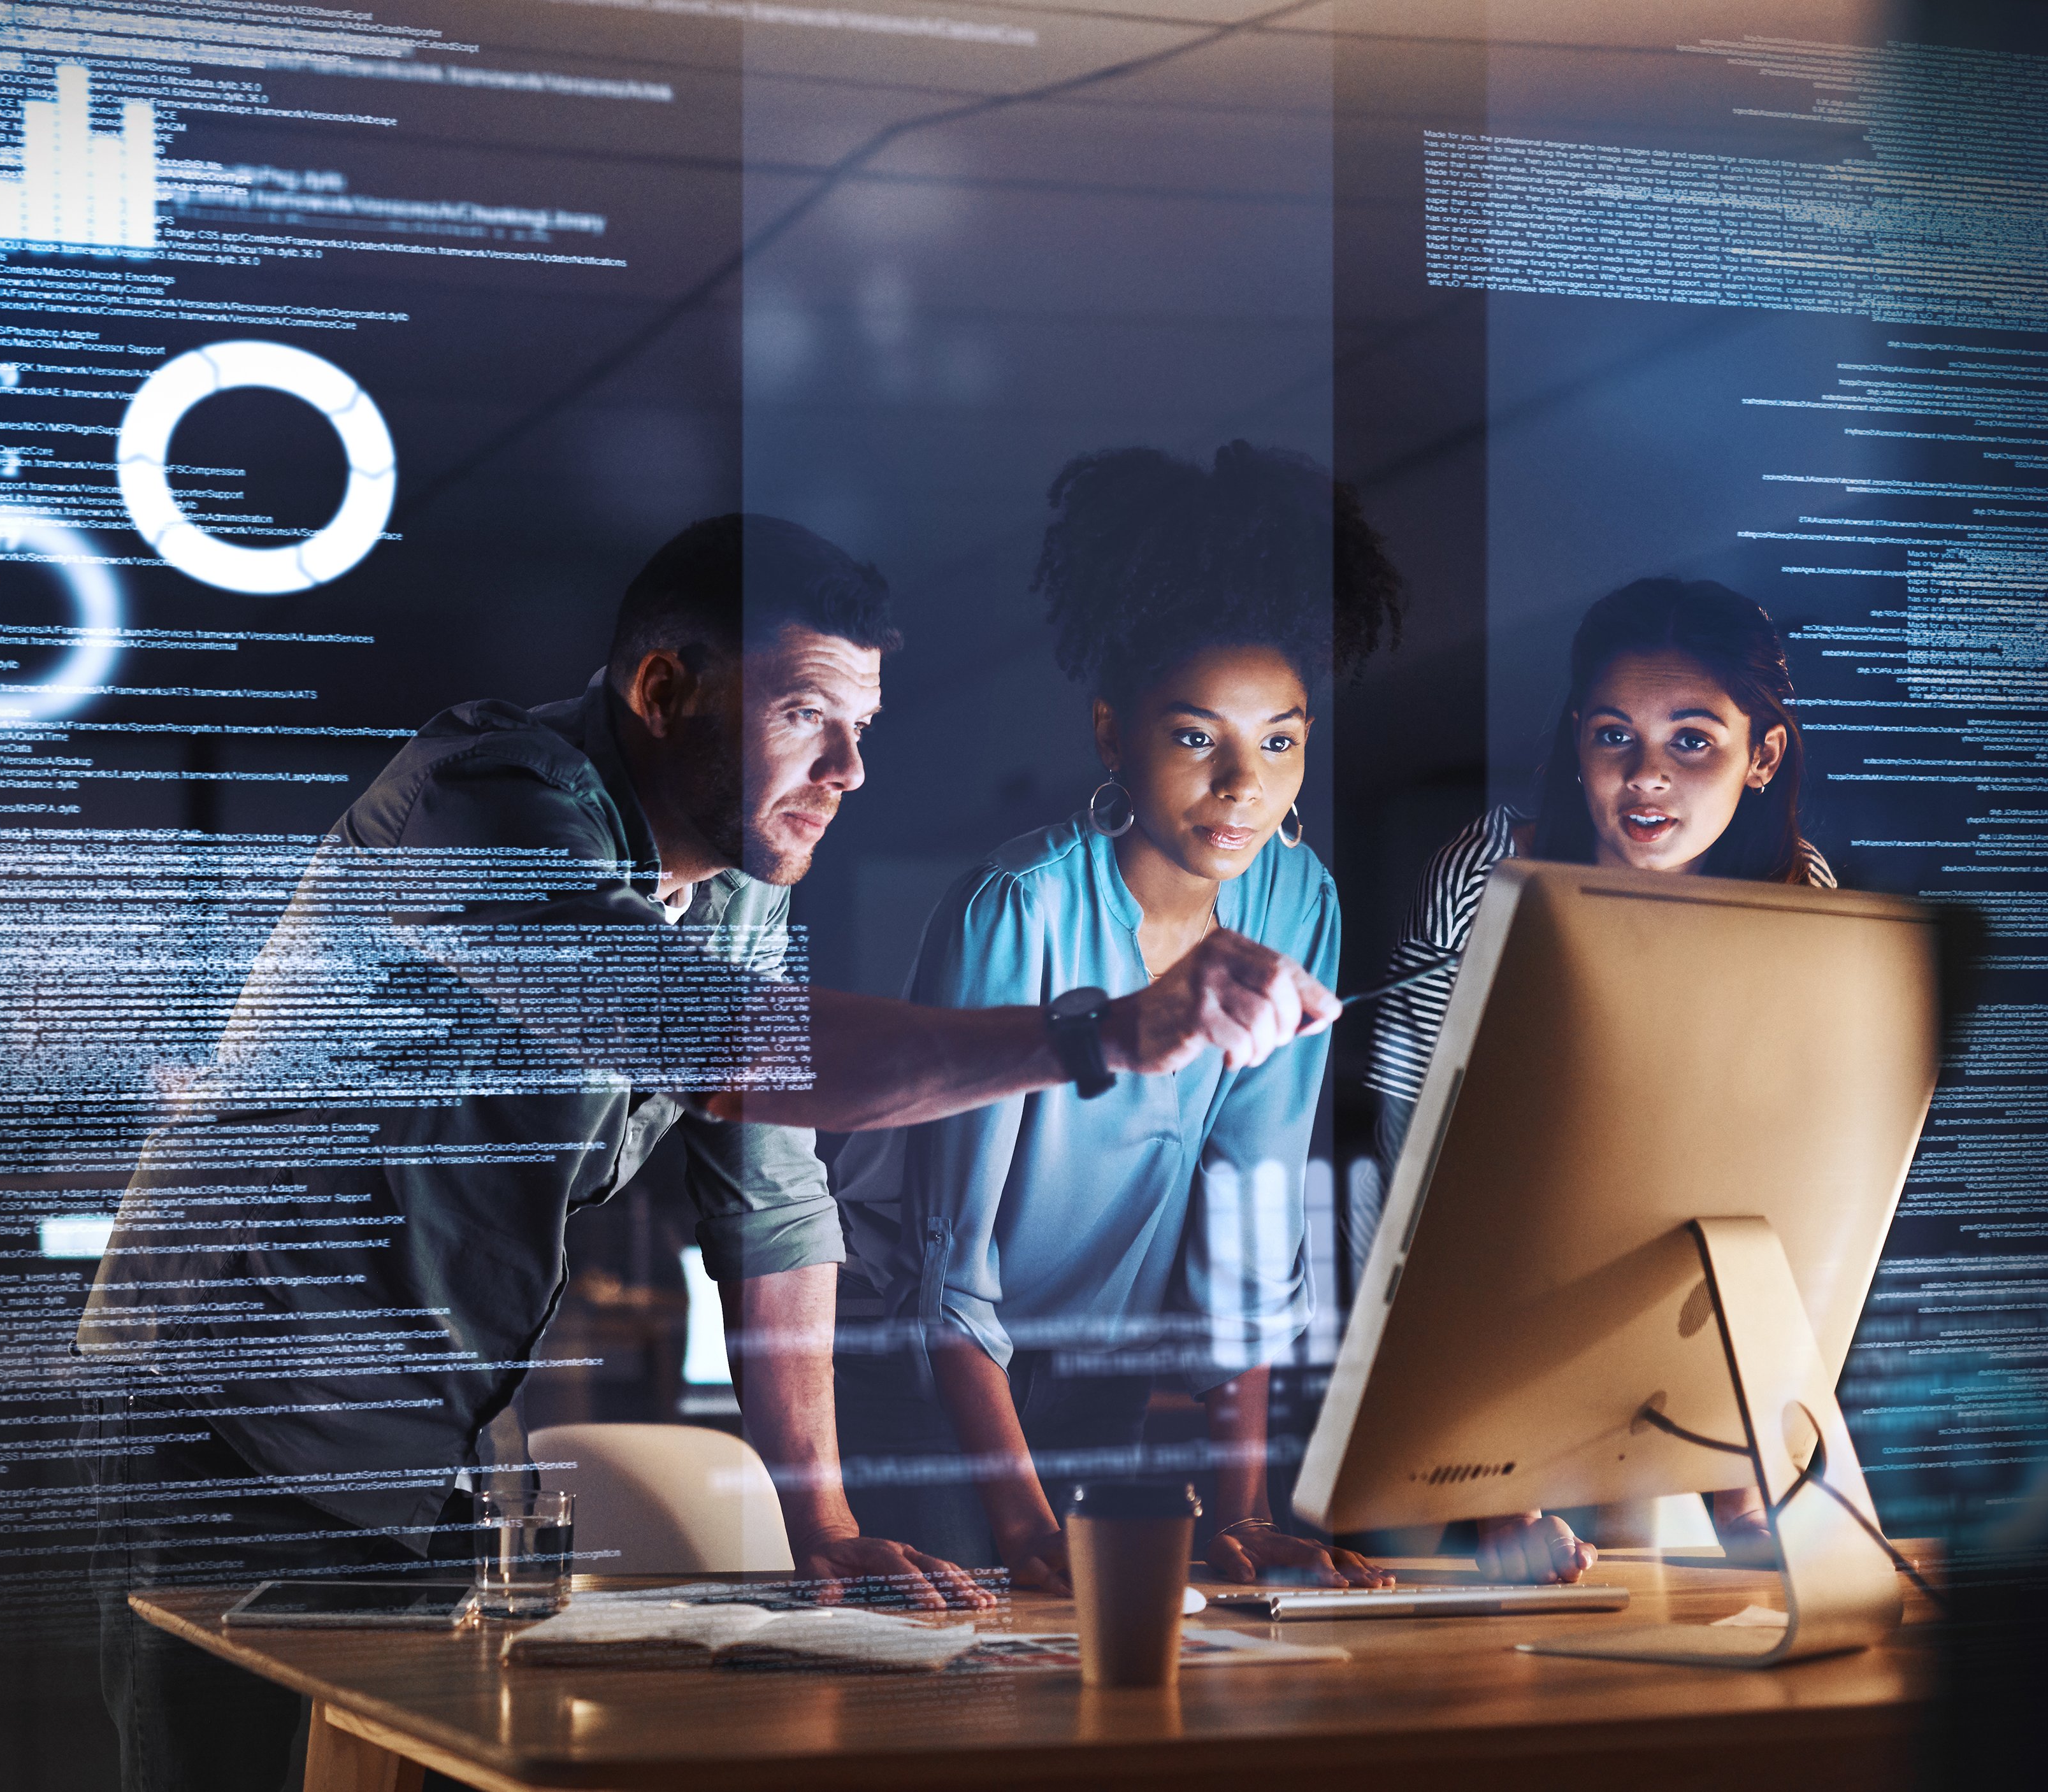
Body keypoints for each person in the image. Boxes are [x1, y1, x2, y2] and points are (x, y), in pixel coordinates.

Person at [84, 514, 1341, 1792]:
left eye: (865, 729)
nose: (850, 768)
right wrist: (1100, 1032)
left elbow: (775, 1205)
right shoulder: (481, 801)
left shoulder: (744, 888)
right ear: (663, 690)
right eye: (807, 716)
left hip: (424, 1442)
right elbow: (729, 1048)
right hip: (227, 1414)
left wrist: (827, 1528)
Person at [830, 443, 1395, 1593]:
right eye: (1197, 736)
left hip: (1096, 1361)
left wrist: (1241, 1513)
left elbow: (1254, 1223)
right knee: (963, 1675)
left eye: (1280, 741)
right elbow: (949, 1269)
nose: (1243, 783)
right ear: (1110, 735)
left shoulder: (1300, 899)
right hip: (921, 1366)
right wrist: (1030, 1526)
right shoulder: (1019, 907)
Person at [1365, 575, 1834, 1578]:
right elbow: (1408, 1186)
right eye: (1614, 735)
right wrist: (1486, 1483)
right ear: (1577, 739)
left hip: (1693, 1341)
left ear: (1764, 755)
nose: (1646, 776)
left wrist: (1754, 1455)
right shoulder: (1487, 877)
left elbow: (1794, 1193)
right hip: (1475, 1348)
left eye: (1692, 740)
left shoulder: (1803, 900)